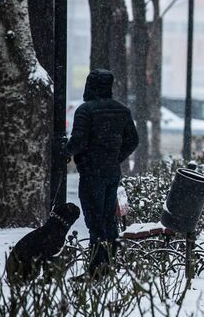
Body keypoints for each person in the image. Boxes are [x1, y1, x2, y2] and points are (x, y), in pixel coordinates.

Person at [65, 69, 139, 277]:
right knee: (108, 219)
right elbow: (133, 140)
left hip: (91, 173)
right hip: (112, 172)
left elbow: (78, 141)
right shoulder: (122, 110)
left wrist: (65, 152)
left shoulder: (85, 111)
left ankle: (97, 268)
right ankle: (110, 262)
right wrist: (115, 158)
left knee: (95, 221)